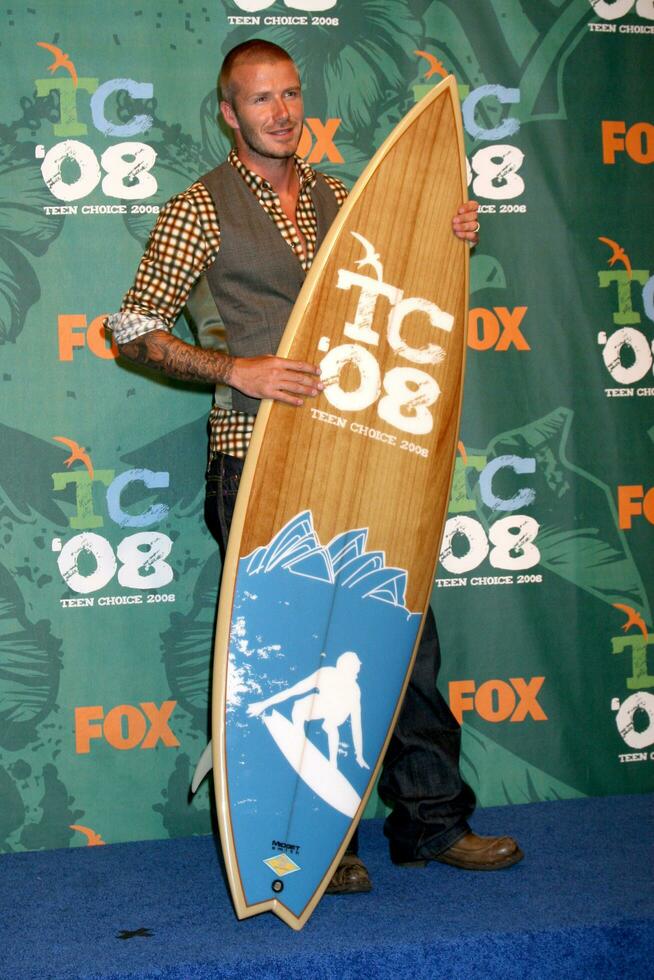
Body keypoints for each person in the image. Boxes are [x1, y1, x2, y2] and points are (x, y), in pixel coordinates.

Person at [108, 38, 523, 895]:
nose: (282, 112)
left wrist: (450, 236)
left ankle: (433, 822)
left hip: (368, 454)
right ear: (228, 113)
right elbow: (132, 327)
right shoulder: (201, 209)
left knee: (404, 644)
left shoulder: (346, 197)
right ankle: (304, 844)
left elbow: (408, 284)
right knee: (285, 661)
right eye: (261, 100)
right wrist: (233, 369)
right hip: (256, 461)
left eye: (291, 95)